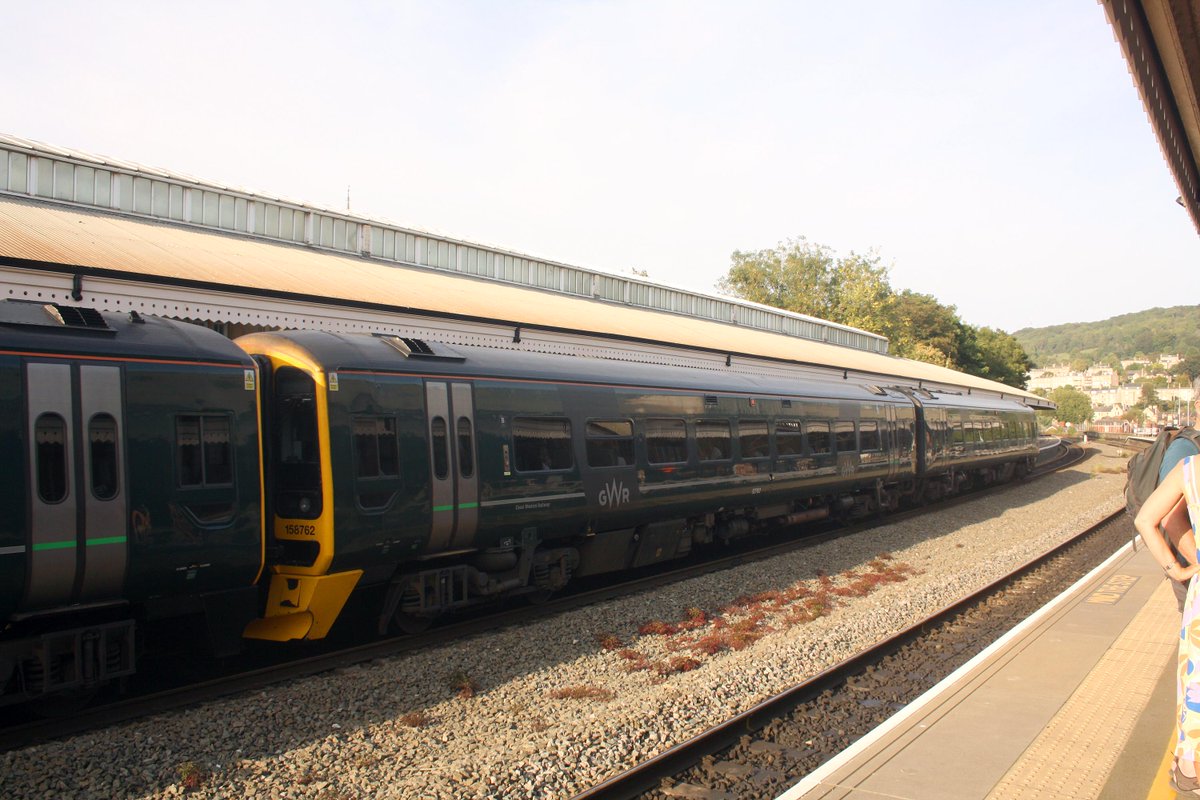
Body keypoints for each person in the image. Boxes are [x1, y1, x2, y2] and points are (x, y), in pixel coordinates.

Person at [1134, 455, 1200, 792]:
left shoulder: (1191, 468)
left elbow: (1149, 520)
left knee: (1197, 683)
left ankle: (1190, 768)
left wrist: (1183, 567)